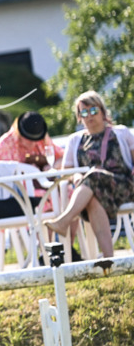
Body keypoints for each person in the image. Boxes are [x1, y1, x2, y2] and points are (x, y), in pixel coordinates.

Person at [44, 91, 134, 258]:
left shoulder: (121, 133)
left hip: (124, 186)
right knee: (92, 197)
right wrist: (76, 177)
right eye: (84, 112)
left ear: (102, 111)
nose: (89, 116)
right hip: (92, 189)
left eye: (93, 110)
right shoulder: (74, 140)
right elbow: (67, 172)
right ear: (79, 117)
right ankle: (109, 259)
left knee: (92, 176)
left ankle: (65, 220)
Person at [0, 111, 65, 219]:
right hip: (18, 195)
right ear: (19, 132)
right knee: (46, 198)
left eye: (36, 139)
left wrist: (52, 167)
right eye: (29, 139)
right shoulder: (5, 145)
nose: (33, 143)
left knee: (68, 193)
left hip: (45, 188)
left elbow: (63, 156)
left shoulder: (41, 138)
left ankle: (63, 227)